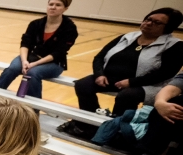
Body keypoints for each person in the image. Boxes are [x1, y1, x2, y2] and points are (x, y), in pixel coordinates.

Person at [61, 8, 183, 139]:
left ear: (168, 28)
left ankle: (117, 130)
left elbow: (165, 73)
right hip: (112, 79)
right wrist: (99, 74)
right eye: (148, 19)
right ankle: (88, 124)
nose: (148, 23)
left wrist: (131, 82)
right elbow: (100, 57)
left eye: (156, 22)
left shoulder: (175, 45)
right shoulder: (127, 37)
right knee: (83, 84)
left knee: (127, 95)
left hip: (149, 85)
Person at [0, 0, 78, 99]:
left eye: (58, 5)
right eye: (51, 4)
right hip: (32, 57)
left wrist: (34, 64)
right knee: (12, 68)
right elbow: (25, 44)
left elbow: (58, 53)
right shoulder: (36, 24)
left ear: (65, 8)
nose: (53, 7)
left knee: (33, 73)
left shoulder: (69, 28)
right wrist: (24, 61)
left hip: (55, 63)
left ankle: (33, 109)